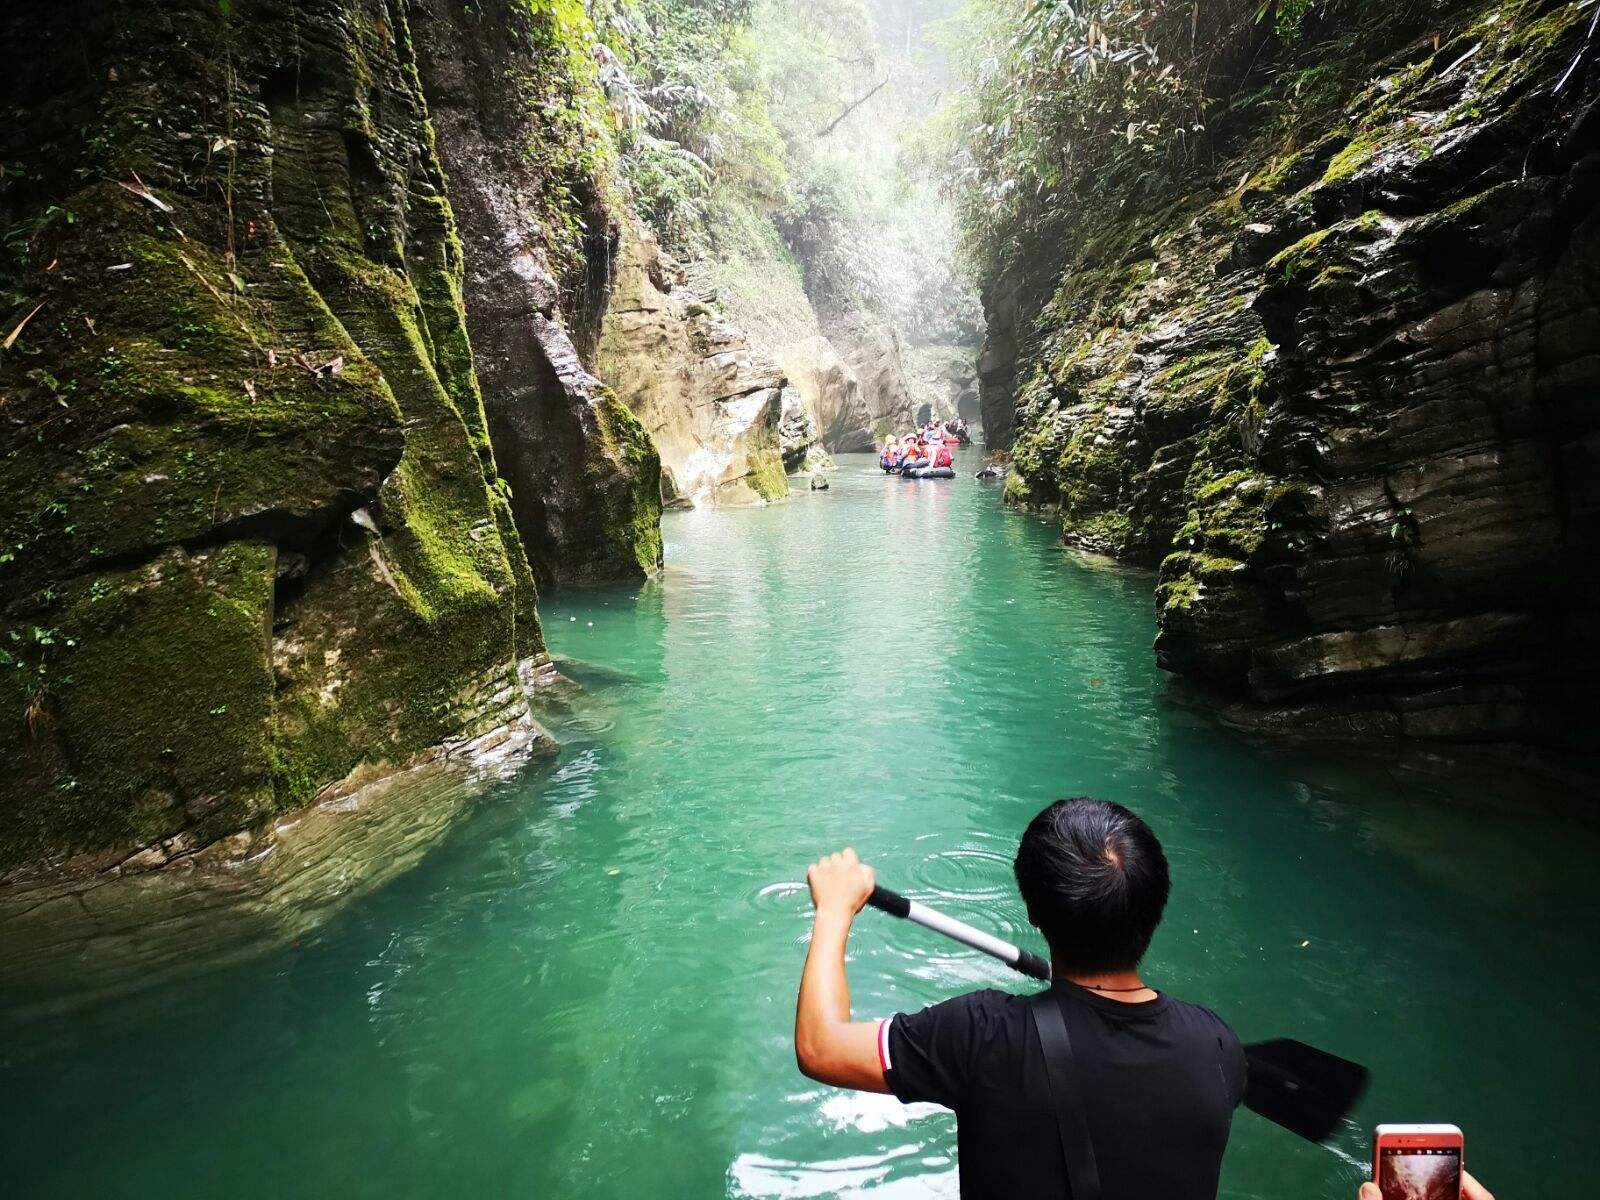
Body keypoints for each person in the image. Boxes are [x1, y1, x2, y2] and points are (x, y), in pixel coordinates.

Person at [795, 798, 1246, 1199]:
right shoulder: (1218, 1048)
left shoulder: (984, 1035)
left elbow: (821, 1046)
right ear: (1156, 906)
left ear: (1032, 911)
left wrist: (834, 908)